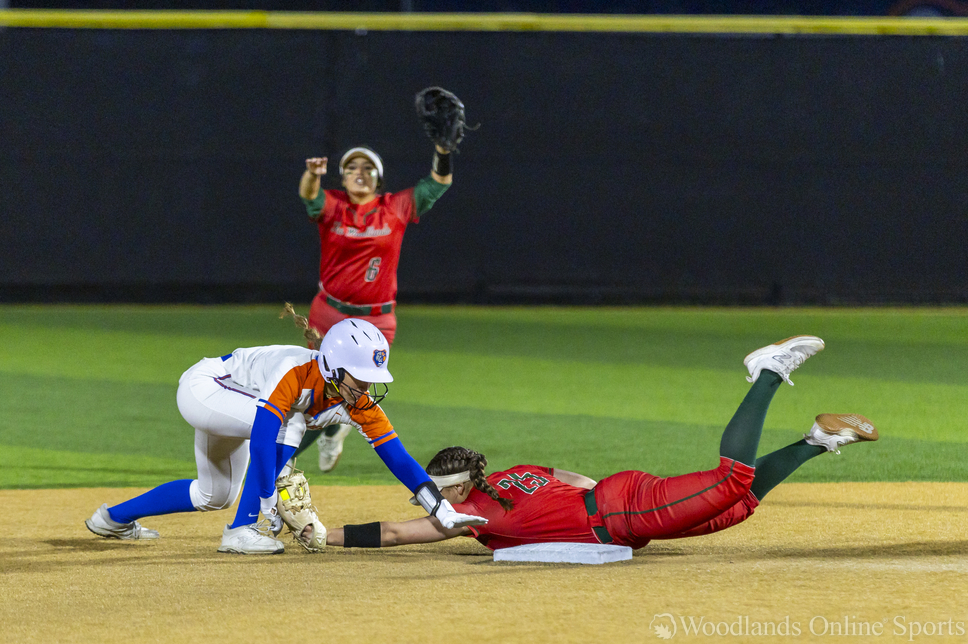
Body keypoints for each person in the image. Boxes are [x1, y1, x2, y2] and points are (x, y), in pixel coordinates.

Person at [326, 336, 879, 551]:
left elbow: (396, 531)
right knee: (734, 509)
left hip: (621, 515)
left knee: (731, 479)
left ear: (452, 489)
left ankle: (768, 372)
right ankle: (817, 439)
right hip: (616, 503)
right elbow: (576, 480)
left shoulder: (469, 515)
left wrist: (325, 535)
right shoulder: (513, 474)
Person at [84, 312, 485, 555]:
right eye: (360, 376)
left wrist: (439, 507)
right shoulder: (296, 372)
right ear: (334, 366)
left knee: (214, 495)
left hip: (235, 404)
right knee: (287, 423)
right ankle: (242, 531)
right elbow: (263, 436)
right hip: (205, 389)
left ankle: (112, 519)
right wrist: (268, 503)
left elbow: (396, 456)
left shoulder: (355, 399)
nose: (367, 386)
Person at [296, 143, 454, 473]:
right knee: (318, 390)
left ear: (378, 178)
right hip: (329, 313)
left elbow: (438, 183)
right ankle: (283, 461)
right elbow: (310, 195)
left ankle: (329, 432)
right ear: (343, 177)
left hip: (375, 320)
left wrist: (442, 152)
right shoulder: (335, 206)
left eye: (367, 168)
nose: (360, 173)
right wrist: (312, 174)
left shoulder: (394, 207)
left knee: (351, 392)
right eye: (352, 168)